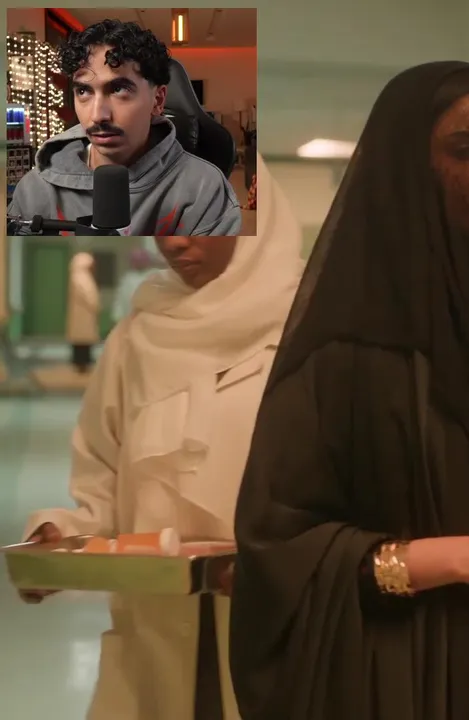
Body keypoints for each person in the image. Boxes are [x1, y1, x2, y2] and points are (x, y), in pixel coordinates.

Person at [229, 62, 469, 720]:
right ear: (410, 169)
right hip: (397, 684)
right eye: (465, 150)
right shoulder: (343, 356)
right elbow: (281, 556)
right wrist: (461, 558)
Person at [20, 157, 303, 720]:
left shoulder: (307, 332)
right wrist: (62, 538)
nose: (173, 241)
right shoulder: (138, 337)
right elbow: (103, 486)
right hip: (154, 636)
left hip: (276, 633)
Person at [7, 19, 241, 236]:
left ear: (158, 100)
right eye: (84, 91)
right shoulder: (35, 190)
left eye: (118, 89)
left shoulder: (205, 191)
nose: (98, 115)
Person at [66, 251, 101, 373]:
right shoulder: (81, 277)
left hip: (83, 314)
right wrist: (96, 305)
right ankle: (82, 363)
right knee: (82, 340)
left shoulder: (78, 276)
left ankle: (82, 363)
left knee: (82, 340)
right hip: (84, 314)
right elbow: (89, 296)